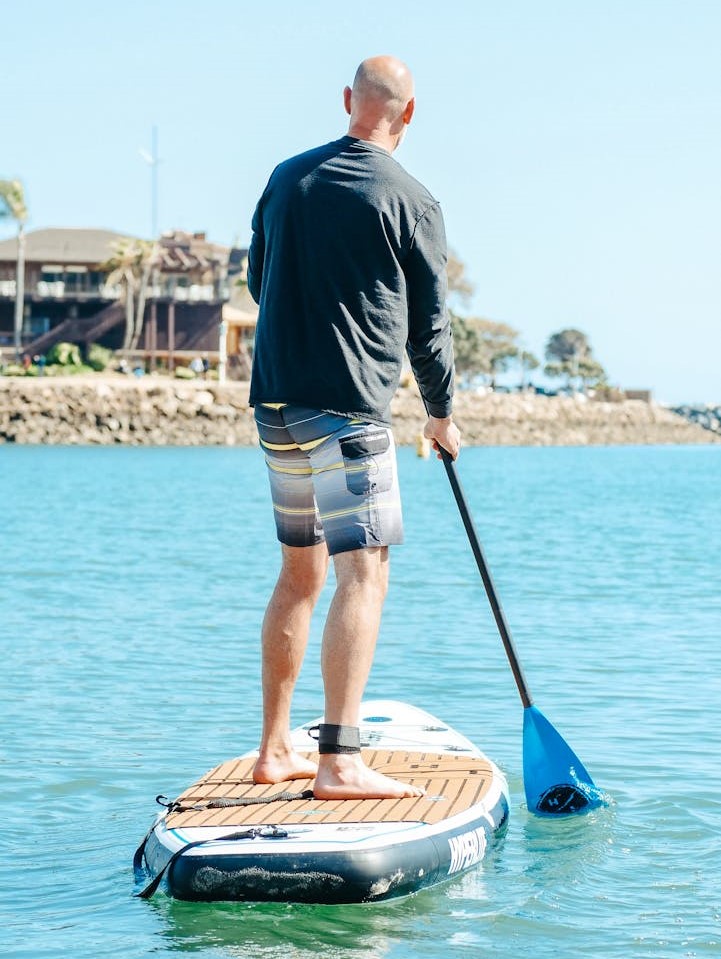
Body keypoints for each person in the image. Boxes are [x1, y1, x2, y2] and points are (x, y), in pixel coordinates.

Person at [247, 55, 461, 800]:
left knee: (298, 573)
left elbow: (258, 277)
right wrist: (438, 414)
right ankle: (339, 759)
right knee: (361, 572)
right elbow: (428, 328)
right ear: (409, 113)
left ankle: (276, 748)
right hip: (347, 412)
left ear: (347, 101)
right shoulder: (410, 197)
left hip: (275, 405)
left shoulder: (286, 178)